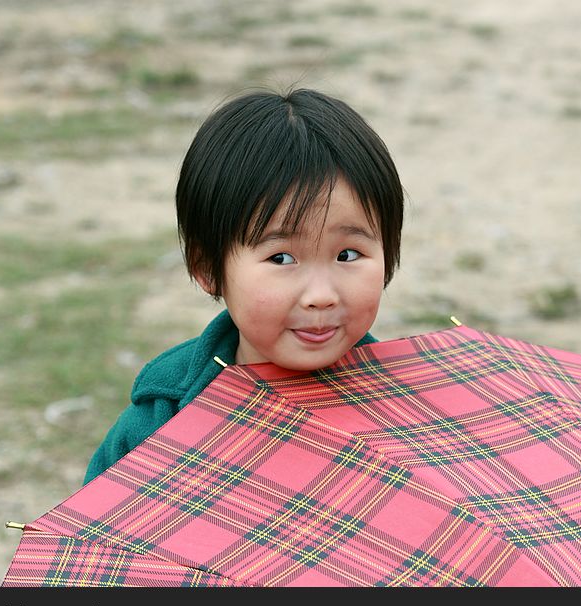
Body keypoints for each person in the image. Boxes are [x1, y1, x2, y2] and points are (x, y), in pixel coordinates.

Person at [83, 87, 405, 484]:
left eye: (347, 255)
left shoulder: (409, 414)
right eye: (281, 258)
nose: (321, 296)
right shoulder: (162, 424)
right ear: (208, 268)